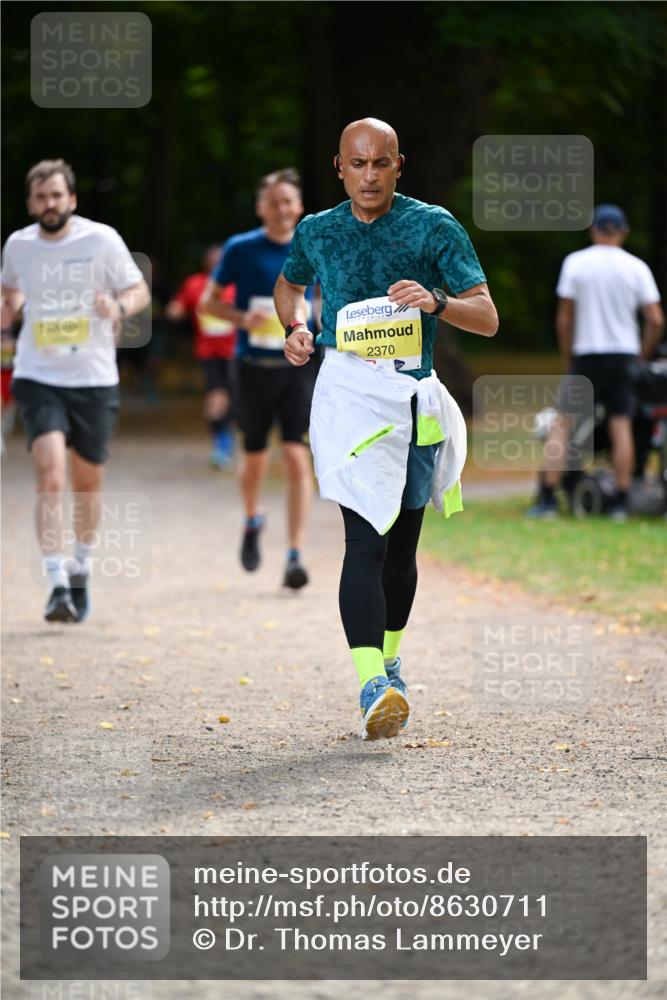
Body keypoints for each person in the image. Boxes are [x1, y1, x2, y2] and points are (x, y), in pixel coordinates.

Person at [275, 118, 498, 740]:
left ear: (400, 164)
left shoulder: (434, 226)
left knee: (400, 552)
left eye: (381, 163)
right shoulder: (317, 230)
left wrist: (438, 303)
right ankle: (372, 680)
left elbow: (487, 317)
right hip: (348, 399)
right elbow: (289, 283)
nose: (369, 175)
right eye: (357, 163)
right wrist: (294, 328)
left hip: (413, 403)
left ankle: (391, 657)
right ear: (337, 167)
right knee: (364, 542)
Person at [0, 159, 150, 622]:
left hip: (93, 378)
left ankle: (80, 568)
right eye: (41, 197)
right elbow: (9, 293)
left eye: (57, 196)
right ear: (31, 203)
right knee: (49, 473)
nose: (49, 205)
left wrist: (118, 306)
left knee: (87, 484)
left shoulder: (100, 239)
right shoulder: (18, 245)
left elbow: (138, 291)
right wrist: (9, 310)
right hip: (38, 374)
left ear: (72, 200)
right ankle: (56, 584)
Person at [199, 169, 316, 588]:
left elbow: (327, 301)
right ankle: (252, 520)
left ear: (299, 206)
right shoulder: (241, 248)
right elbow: (208, 304)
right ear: (261, 208)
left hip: (298, 371)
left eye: (289, 201)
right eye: (273, 202)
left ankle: (295, 554)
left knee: (297, 458)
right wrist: (240, 317)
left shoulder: (314, 245)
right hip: (251, 369)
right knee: (253, 463)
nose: (282, 209)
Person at [529, 204, 664, 521]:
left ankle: (547, 499)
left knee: (563, 425)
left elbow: (564, 318)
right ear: (624, 231)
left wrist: (568, 357)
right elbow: (656, 319)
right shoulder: (637, 267)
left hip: (587, 354)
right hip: (624, 356)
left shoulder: (576, 263)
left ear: (593, 230)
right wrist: (642, 355)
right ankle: (619, 500)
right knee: (621, 425)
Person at [167, 246, 237, 468]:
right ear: (206, 262)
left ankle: (228, 439)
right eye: (212, 260)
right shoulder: (195, 284)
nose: (217, 264)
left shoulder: (236, 284)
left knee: (233, 398)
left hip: (236, 352)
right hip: (208, 352)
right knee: (216, 397)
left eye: (221, 260)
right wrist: (174, 310)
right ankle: (221, 444)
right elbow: (178, 306)